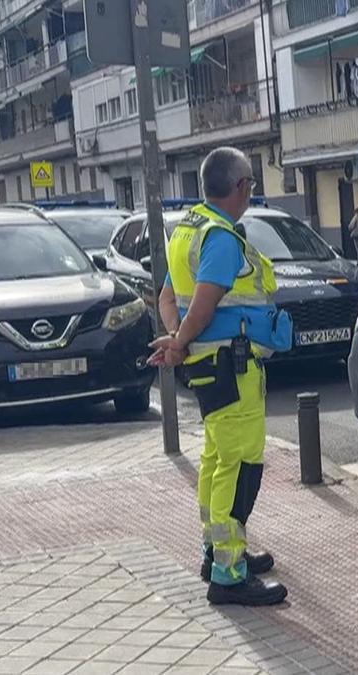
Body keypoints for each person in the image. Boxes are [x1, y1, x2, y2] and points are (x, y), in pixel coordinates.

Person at [149, 147, 294, 606]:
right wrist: (179, 340)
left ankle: (217, 552)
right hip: (232, 367)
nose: (250, 191)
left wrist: (179, 339)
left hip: (210, 366)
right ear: (240, 187)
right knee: (240, 464)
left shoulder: (187, 229)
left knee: (216, 460)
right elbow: (206, 304)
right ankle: (229, 576)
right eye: (250, 183)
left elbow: (167, 298)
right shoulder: (220, 237)